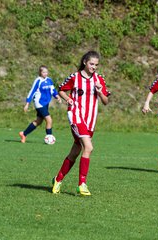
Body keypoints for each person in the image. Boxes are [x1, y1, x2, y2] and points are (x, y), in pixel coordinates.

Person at [51, 50, 110, 196]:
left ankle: (57, 180)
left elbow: (105, 101)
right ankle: (82, 184)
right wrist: (68, 99)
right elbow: (62, 90)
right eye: (91, 64)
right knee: (89, 147)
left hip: (90, 120)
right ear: (85, 62)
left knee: (75, 152)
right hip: (76, 116)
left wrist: (100, 91)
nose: (94, 67)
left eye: (96, 65)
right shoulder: (75, 77)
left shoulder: (99, 79)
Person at [19, 65, 61, 143]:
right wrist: (27, 103)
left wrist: (57, 96)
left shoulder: (49, 80)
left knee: (38, 121)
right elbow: (32, 91)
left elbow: (52, 90)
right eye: (43, 72)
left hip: (46, 103)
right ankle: (49, 138)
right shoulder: (38, 80)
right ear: (40, 72)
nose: (45, 73)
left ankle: (24, 134)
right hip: (39, 103)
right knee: (49, 120)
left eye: (46, 72)